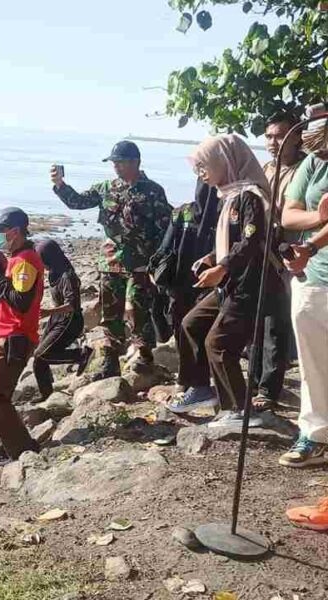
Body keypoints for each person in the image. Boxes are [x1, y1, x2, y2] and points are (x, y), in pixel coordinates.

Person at [170, 134, 280, 427]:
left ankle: (241, 412)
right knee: (191, 323)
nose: (201, 174)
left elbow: (251, 240)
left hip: (249, 284)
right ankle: (201, 388)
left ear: (225, 162)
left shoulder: (250, 196)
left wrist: (222, 268)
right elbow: (231, 239)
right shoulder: (229, 194)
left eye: (205, 167)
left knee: (218, 344)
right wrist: (210, 257)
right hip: (230, 282)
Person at [51, 141, 172, 379]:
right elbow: (78, 202)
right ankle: (111, 361)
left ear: (135, 162)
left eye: (120, 162)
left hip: (141, 262)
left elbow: (165, 230)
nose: (116, 166)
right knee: (110, 313)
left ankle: (144, 356)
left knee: (139, 310)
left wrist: (158, 263)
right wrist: (59, 184)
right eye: (114, 162)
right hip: (111, 261)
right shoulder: (107, 188)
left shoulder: (153, 191)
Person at [275, 140, 328, 470]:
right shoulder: (314, 162)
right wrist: (318, 216)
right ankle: (316, 435)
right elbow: (288, 216)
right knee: (313, 365)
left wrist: (310, 243)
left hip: (309, 258)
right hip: (314, 280)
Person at [0, 207, 43, 463]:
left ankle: (21, 450)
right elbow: (7, 294)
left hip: (15, 336)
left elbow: (21, 301)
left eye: (0, 233)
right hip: (5, 334)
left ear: (14, 232)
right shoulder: (15, 259)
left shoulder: (25, 260)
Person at [252, 113, 307, 412]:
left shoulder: (306, 169)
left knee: (278, 323)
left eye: (280, 136)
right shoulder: (267, 168)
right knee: (260, 317)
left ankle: (269, 389)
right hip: (265, 252)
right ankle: (257, 379)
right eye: (269, 136)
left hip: (294, 253)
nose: (273, 142)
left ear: (296, 137)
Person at [150, 179, 220, 343]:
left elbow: (164, 248)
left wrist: (152, 267)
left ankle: (186, 365)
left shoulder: (181, 211)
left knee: (182, 328)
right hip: (209, 282)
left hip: (181, 281)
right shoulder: (225, 211)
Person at [33, 240, 92, 399]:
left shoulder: (67, 276)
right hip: (57, 319)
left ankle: (81, 354)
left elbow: (72, 305)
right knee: (38, 359)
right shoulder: (54, 271)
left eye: (40, 259)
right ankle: (46, 394)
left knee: (42, 354)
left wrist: (48, 312)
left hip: (70, 321)